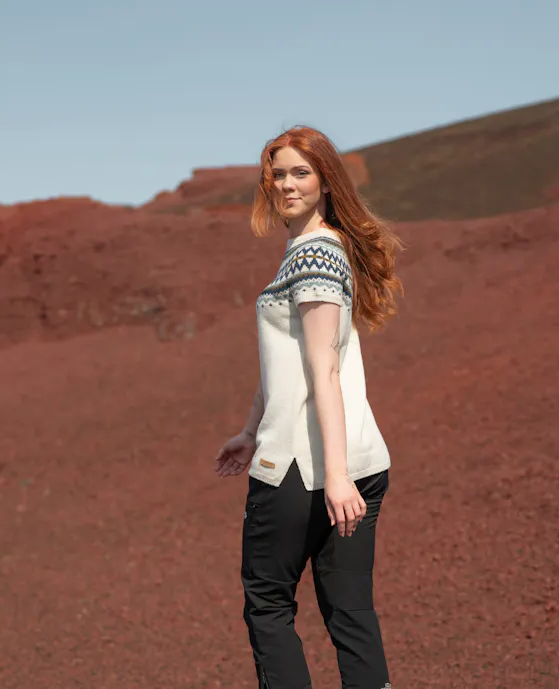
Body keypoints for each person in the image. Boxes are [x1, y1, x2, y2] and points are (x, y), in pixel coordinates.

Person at [214, 125, 405, 688]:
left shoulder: (314, 253)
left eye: (301, 172)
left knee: (267, 604)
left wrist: (336, 478)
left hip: (307, 470)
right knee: (349, 610)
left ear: (325, 181)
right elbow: (291, 362)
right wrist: (250, 429)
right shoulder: (322, 249)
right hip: (357, 462)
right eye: (278, 173)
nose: (286, 184)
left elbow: (321, 371)